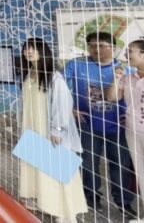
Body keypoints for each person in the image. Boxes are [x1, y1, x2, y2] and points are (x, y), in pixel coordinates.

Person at [64, 32, 136, 216]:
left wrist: (131, 116)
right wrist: (70, 108)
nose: (96, 49)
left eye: (101, 45)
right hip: (87, 123)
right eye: (92, 45)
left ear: (113, 48)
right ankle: (92, 197)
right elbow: (57, 87)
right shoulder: (76, 65)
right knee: (88, 163)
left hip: (118, 126)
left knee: (120, 164)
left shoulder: (127, 70)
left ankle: (123, 202)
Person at [17, 38, 87, 223]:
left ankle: (66, 213)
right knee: (41, 170)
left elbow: (62, 105)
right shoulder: (29, 74)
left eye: (33, 48)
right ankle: (47, 204)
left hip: (49, 131)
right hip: (33, 128)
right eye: (26, 48)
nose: (28, 52)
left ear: (43, 52)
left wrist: (57, 129)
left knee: (58, 169)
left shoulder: (54, 77)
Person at [107, 39, 144, 216]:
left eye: (131, 52)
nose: (126, 55)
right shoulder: (128, 78)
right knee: (140, 173)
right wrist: (116, 78)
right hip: (132, 132)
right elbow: (111, 98)